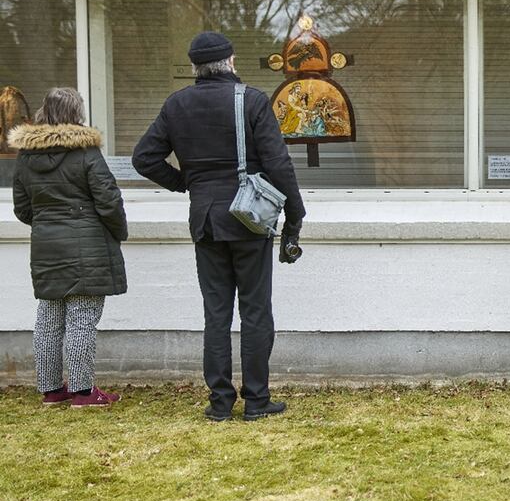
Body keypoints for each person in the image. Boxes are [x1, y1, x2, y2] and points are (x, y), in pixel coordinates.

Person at [132, 32, 305, 421]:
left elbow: (144, 158)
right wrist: (295, 213)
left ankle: (220, 403)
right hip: (249, 219)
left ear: (195, 67)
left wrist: (186, 182)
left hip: (206, 221)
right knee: (256, 311)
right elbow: (279, 165)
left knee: (216, 313)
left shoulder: (177, 104)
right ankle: (257, 401)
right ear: (230, 62)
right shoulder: (252, 100)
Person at [10, 87, 127, 408]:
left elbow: (22, 208)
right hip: (87, 246)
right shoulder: (86, 153)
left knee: (48, 317)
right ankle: (84, 393)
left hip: (46, 246)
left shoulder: (25, 156)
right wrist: (119, 232)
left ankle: (51, 390)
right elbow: (109, 201)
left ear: (43, 112)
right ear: (76, 114)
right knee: (82, 317)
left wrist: (49, 226)